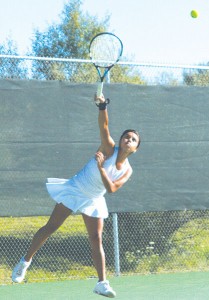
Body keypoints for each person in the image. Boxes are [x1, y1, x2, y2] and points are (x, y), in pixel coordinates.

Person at [11, 93, 141, 298]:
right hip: (76, 188)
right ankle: (24, 262)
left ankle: (102, 283)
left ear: (135, 148)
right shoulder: (109, 148)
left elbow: (112, 188)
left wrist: (100, 169)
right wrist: (102, 106)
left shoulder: (127, 170)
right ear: (121, 140)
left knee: (96, 238)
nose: (128, 140)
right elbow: (104, 127)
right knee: (51, 227)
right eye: (126, 136)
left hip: (94, 197)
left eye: (133, 140)